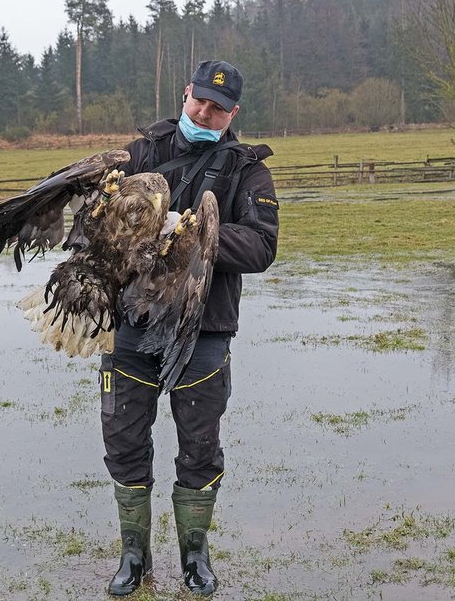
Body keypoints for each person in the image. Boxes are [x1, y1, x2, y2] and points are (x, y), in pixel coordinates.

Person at [101, 60, 279, 596]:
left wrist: (193, 232)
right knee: (123, 443)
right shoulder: (139, 154)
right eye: (200, 101)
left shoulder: (249, 170)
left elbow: (261, 246)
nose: (205, 112)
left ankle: (194, 555)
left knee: (199, 447)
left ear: (233, 114)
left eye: (218, 108)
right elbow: (96, 218)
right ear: (186, 93)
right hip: (130, 326)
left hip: (204, 331)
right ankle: (134, 555)